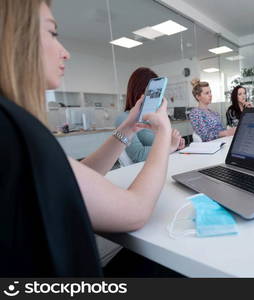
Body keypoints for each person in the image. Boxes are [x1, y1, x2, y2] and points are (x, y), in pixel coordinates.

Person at [0, 0, 180, 277]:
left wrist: (128, 129)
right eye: (51, 33)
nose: (66, 53)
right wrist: (164, 134)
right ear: (13, 37)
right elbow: (136, 211)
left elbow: (71, 177)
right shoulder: (16, 129)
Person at [115, 67, 185, 163]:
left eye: (159, 92)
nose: (157, 97)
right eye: (152, 92)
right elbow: (138, 155)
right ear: (140, 91)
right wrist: (170, 147)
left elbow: (164, 143)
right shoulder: (124, 118)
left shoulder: (153, 116)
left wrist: (175, 143)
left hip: (164, 163)